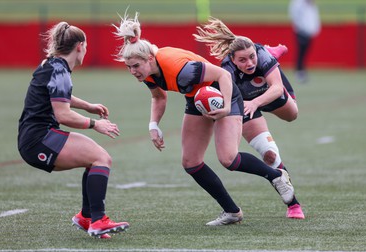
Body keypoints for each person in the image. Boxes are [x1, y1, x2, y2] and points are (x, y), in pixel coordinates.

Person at [113, 11, 296, 226]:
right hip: (197, 100)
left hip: (224, 93)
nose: (133, 71)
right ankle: (232, 212)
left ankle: (275, 175)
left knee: (228, 159)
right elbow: (158, 97)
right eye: (129, 67)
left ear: (150, 59)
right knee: (190, 162)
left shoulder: (181, 69)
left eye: (136, 66)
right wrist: (154, 125)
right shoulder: (147, 71)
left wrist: (227, 106)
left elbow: (223, 75)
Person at [17, 21, 129, 238]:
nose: (86, 50)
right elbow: (63, 115)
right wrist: (96, 124)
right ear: (79, 46)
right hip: (39, 140)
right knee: (101, 158)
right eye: (85, 46)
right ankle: (97, 220)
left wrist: (88, 105)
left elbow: (58, 95)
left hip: (36, 136)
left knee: (96, 157)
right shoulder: (59, 70)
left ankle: (87, 217)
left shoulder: (54, 65)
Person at [194, 17, 305, 219]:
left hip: (270, 93)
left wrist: (255, 103)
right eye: (243, 60)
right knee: (270, 154)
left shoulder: (261, 56)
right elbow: (225, 103)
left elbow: (277, 88)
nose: (250, 63)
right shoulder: (226, 70)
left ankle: (273, 52)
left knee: (292, 115)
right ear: (233, 60)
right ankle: (293, 205)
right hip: (244, 102)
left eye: (251, 57)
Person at [289, 0, 321, 83]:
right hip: (301, 31)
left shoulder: (310, 4)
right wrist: (300, 28)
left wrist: (314, 29)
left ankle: (302, 71)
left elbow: (313, 17)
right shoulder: (298, 3)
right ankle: (299, 71)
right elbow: (295, 16)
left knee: (305, 52)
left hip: (309, 32)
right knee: (301, 52)